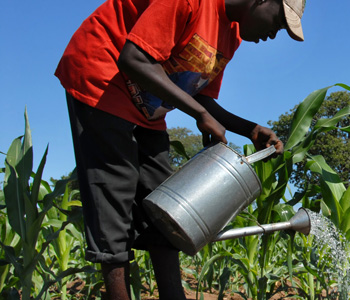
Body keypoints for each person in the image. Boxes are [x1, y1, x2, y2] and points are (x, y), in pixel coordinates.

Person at [55, 0, 305, 298]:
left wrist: (249, 129)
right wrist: (199, 116)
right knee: (113, 195)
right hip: (103, 77)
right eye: (277, 22)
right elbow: (133, 59)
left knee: (165, 202)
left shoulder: (230, 35)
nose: (273, 35)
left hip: (148, 106)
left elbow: (200, 96)